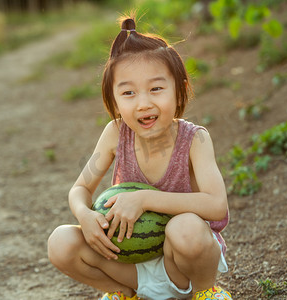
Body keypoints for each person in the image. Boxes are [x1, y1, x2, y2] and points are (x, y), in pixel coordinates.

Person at [47, 15, 232, 300]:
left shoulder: (195, 139)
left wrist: (144, 199)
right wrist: (84, 216)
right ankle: (123, 293)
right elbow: (80, 188)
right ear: (114, 99)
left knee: (186, 227)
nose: (144, 103)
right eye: (128, 93)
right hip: (128, 263)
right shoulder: (114, 134)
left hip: (182, 263)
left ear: (180, 89)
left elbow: (217, 205)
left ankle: (206, 291)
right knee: (60, 242)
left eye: (156, 89)